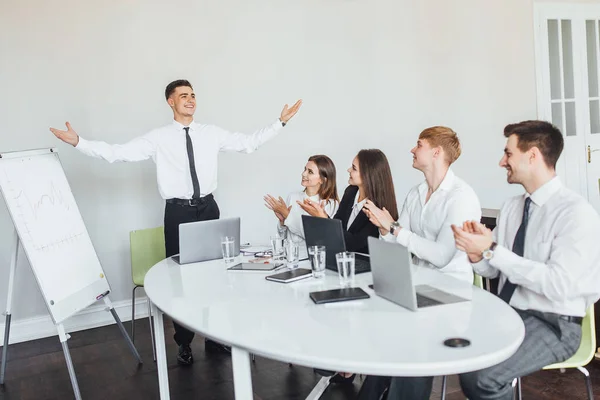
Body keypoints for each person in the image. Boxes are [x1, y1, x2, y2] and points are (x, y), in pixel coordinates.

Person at [49, 79, 302, 366]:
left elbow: (248, 144)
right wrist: (79, 142)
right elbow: (117, 153)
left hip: (208, 209)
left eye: (193, 95)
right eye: (184, 96)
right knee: (181, 280)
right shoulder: (157, 138)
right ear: (171, 101)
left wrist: (279, 123)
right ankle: (184, 343)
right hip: (178, 214)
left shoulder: (211, 133)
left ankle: (216, 337)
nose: (191, 100)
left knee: (217, 274)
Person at [452, 120, 600, 400]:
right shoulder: (512, 208)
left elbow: (559, 285)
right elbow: (496, 272)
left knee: (483, 376)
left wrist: (493, 249)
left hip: (554, 324)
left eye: (508, 153)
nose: (501, 162)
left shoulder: (575, 213)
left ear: (532, 156)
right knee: (459, 352)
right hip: (510, 314)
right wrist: (477, 255)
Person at [357, 126, 482, 399]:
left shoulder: (461, 197)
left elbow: (442, 256)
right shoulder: (416, 193)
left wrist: (396, 230)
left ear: (436, 152)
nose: (412, 150)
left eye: (419, 144)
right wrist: (383, 228)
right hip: (419, 287)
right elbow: (397, 243)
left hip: (452, 294)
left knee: (409, 336)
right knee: (373, 313)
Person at [298, 148, 398, 384]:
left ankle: (347, 361)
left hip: (365, 269)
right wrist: (323, 219)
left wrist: (325, 221)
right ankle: (339, 357)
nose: (348, 171)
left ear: (369, 173)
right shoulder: (351, 192)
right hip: (344, 263)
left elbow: (359, 245)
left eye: (353, 168)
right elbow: (339, 228)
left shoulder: (381, 207)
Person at [264, 155, 339, 249]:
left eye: (310, 172)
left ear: (322, 180)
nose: (304, 174)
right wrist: (282, 222)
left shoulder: (330, 204)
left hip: (311, 258)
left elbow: (317, 239)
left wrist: (287, 215)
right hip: (291, 257)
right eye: (305, 169)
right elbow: (283, 237)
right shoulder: (293, 197)